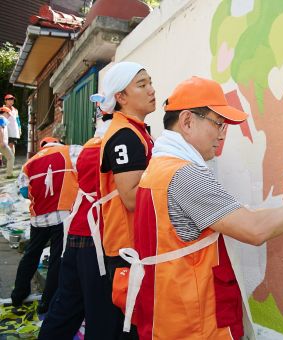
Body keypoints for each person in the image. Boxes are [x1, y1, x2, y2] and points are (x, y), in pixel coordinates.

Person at [120, 77, 283, 339]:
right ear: (187, 121)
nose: (222, 134)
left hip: (169, 316)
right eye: (218, 123)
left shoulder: (160, 166)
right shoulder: (185, 175)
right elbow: (255, 231)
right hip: (194, 325)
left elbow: (235, 217)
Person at [38, 114, 118, 340]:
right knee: (100, 316)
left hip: (77, 231)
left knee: (65, 308)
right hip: (98, 237)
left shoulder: (87, 147)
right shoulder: (115, 144)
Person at [95, 61, 155, 338]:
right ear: (121, 97)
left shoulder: (137, 131)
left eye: (150, 82)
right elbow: (132, 198)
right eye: (142, 85)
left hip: (134, 246)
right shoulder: (124, 136)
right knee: (133, 329)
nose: (151, 90)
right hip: (127, 249)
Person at [12, 137, 81, 314]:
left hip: (39, 218)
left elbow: (24, 192)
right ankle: (47, 301)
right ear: (57, 142)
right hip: (63, 214)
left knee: (31, 254)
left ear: (42, 146)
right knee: (57, 258)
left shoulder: (29, 163)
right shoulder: (70, 150)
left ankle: (18, 294)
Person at [0, 106, 14, 178]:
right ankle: (9, 175)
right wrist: (2, 141)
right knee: (11, 157)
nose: (9, 116)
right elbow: (1, 130)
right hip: (1, 143)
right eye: (8, 114)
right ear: (5, 112)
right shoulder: (2, 118)